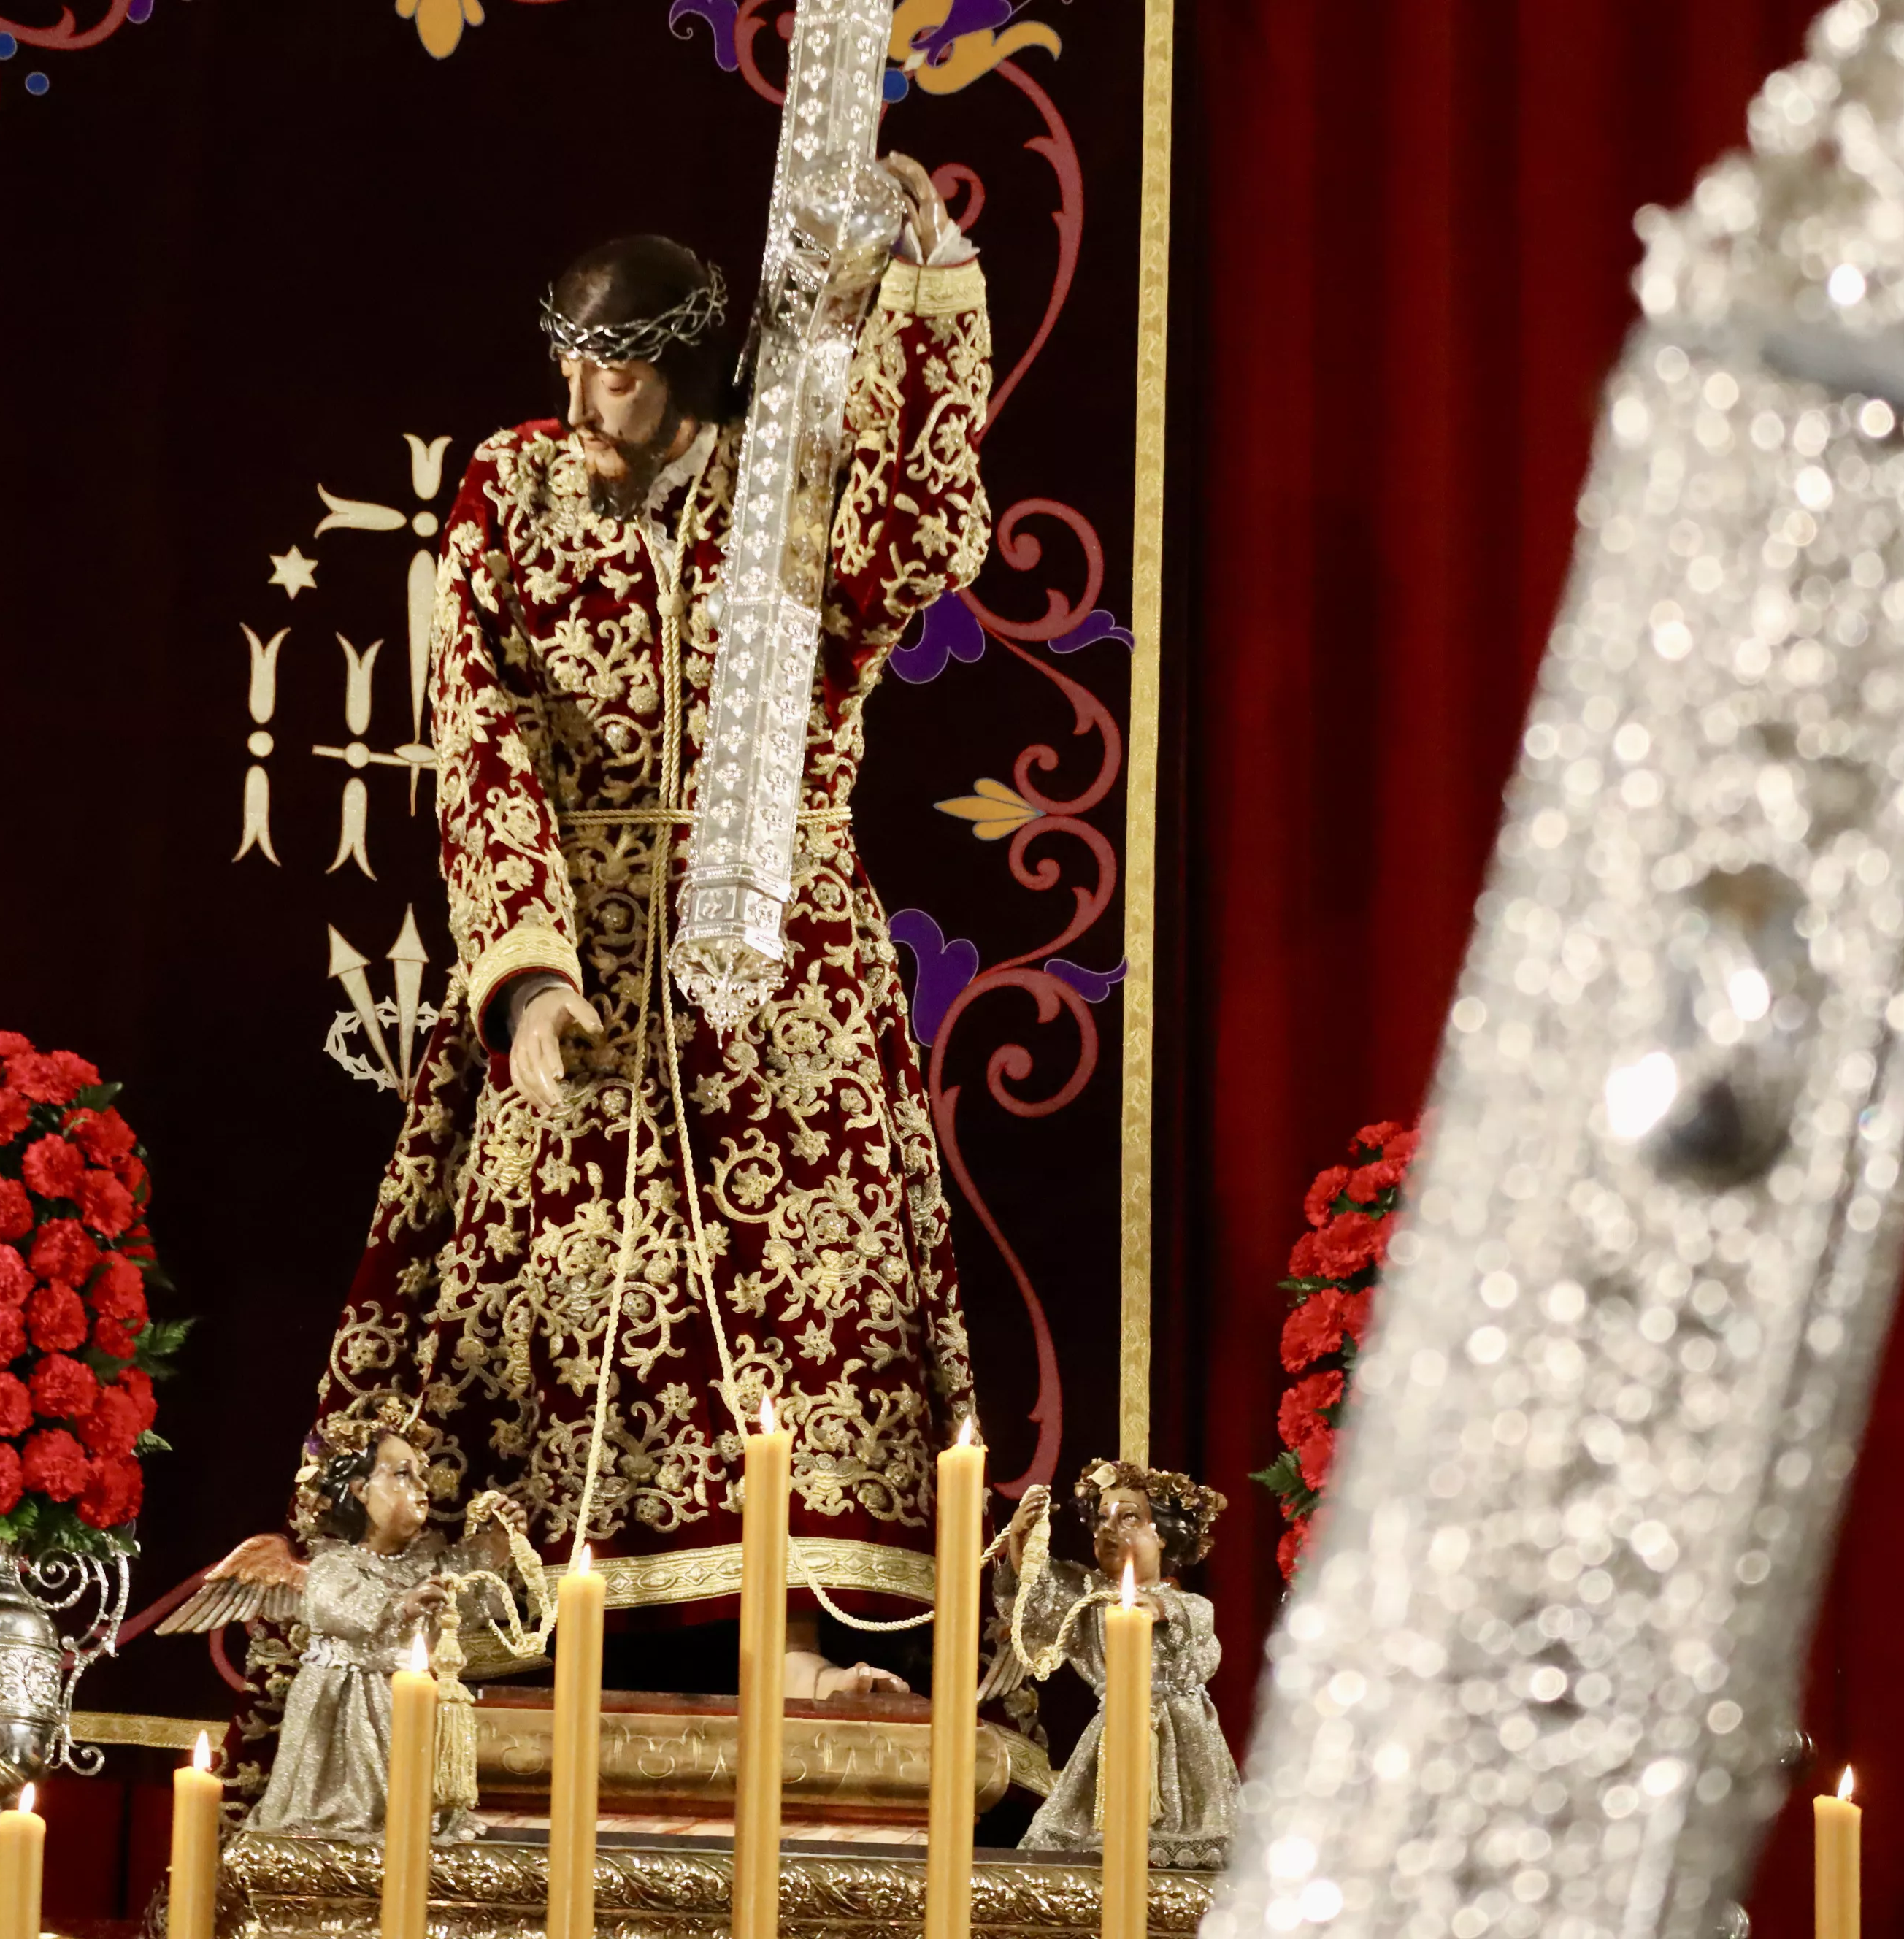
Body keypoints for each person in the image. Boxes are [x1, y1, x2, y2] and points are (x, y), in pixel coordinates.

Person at [302, 153, 989, 1703]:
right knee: (548, 1277)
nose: (580, 396)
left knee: (803, 1285)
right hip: (580, 940)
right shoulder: (511, 488)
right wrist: (528, 975)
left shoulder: (790, 487)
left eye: (611, 374)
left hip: (780, 938)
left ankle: (795, 1633)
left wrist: (928, 287)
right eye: (568, 362)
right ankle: (502, 1631)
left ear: (679, 371)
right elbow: (479, 738)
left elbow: (926, 531)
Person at [234, 1418, 517, 1840]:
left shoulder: (430, 1561)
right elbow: (332, 1608)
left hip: (406, 1706)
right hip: (342, 1702)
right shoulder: (334, 1563)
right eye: (403, 1474)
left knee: (411, 1810)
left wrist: (499, 1543)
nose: (422, 1486)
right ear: (360, 1491)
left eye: (422, 1474)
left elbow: (473, 1595)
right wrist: (398, 1606)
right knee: (333, 1814)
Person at [997, 1459, 1238, 1868]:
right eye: (1102, 1520)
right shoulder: (1091, 1600)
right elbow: (1041, 1597)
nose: (1109, 1529)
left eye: (1128, 1518)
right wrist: (1021, 1543)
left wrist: (1162, 1609)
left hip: (1185, 1735)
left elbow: (1200, 1639)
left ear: (1162, 1534)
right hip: (1115, 1731)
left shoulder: (1188, 1606)